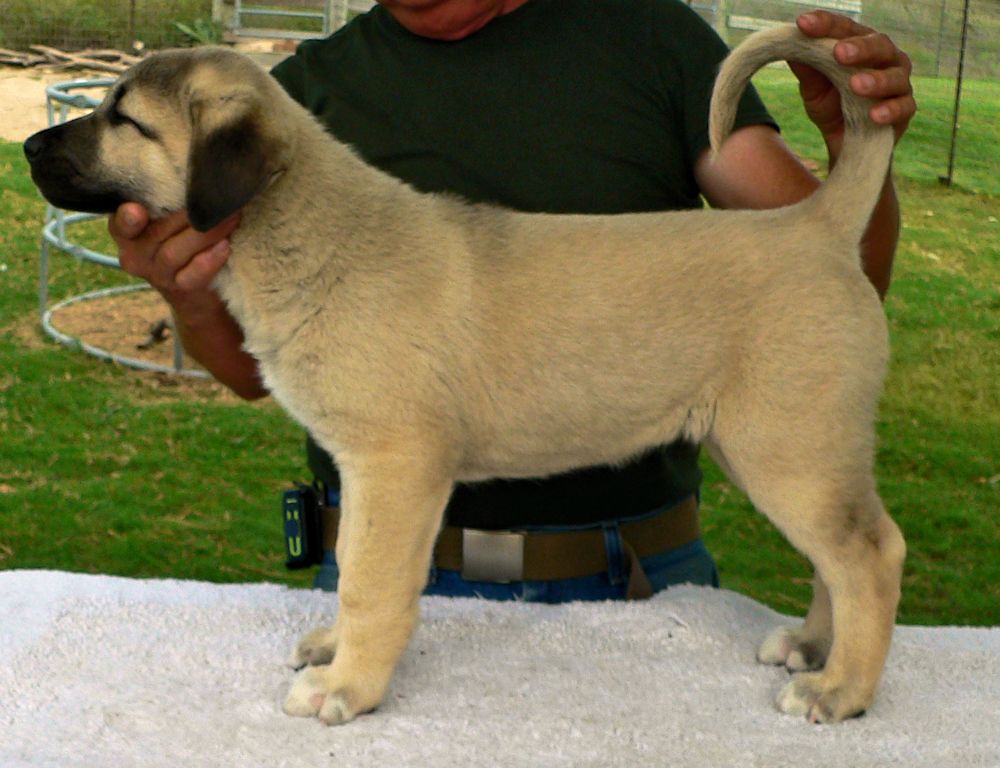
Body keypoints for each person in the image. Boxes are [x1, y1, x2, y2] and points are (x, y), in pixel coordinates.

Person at [110, 1, 916, 602]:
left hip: (630, 576)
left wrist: (856, 137)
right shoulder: (295, 101)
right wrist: (188, 290)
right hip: (377, 567)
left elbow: (827, 274)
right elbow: (256, 375)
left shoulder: (647, 36)